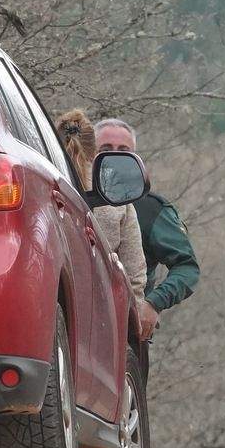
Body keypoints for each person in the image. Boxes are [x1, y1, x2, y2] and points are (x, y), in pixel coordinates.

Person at [95, 118, 199, 344]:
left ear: (136, 159)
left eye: (124, 150)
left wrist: (153, 303)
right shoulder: (72, 196)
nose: (115, 156)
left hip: (128, 332)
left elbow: (187, 267)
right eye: (105, 150)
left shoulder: (152, 209)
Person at [55, 110, 148, 304]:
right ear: (93, 148)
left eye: (123, 150)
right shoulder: (118, 196)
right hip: (100, 307)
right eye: (107, 148)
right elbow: (134, 272)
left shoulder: (43, 183)